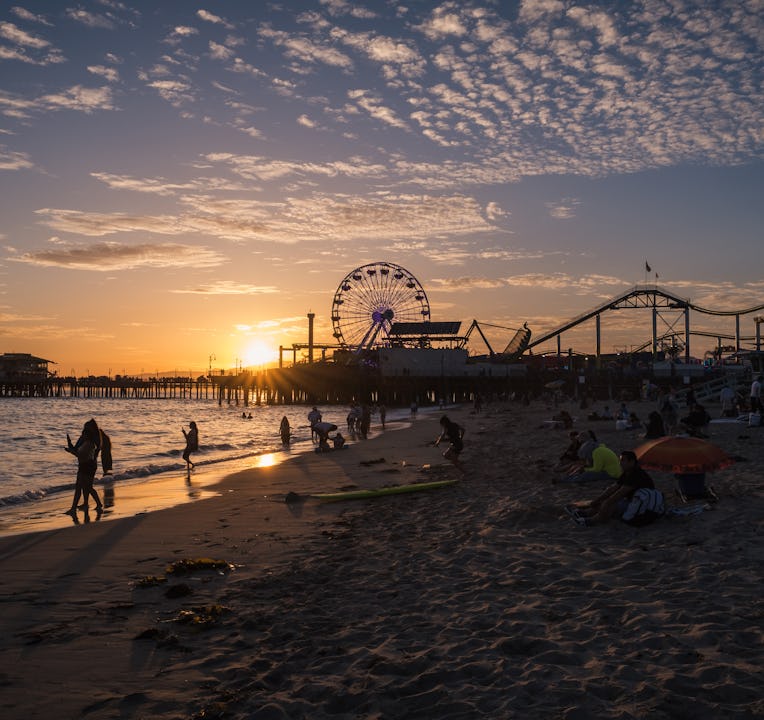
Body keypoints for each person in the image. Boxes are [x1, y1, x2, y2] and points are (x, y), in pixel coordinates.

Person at [571, 450, 656, 526]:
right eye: (620, 460)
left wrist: (607, 502)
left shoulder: (636, 474)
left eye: (623, 460)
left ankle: (594, 521)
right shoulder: (627, 473)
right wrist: (597, 500)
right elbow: (613, 488)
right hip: (631, 500)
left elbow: (620, 493)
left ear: (632, 462)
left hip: (643, 505)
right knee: (605, 501)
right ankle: (587, 513)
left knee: (611, 504)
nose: (620, 463)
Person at [65, 418, 103, 515]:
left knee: (82, 487)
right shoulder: (88, 442)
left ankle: (74, 508)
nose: (82, 435)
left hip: (87, 466)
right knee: (87, 487)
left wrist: (71, 451)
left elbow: (80, 455)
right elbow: (77, 451)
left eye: (84, 432)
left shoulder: (90, 444)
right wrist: (71, 447)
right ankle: (94, 504)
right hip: (86, 465)